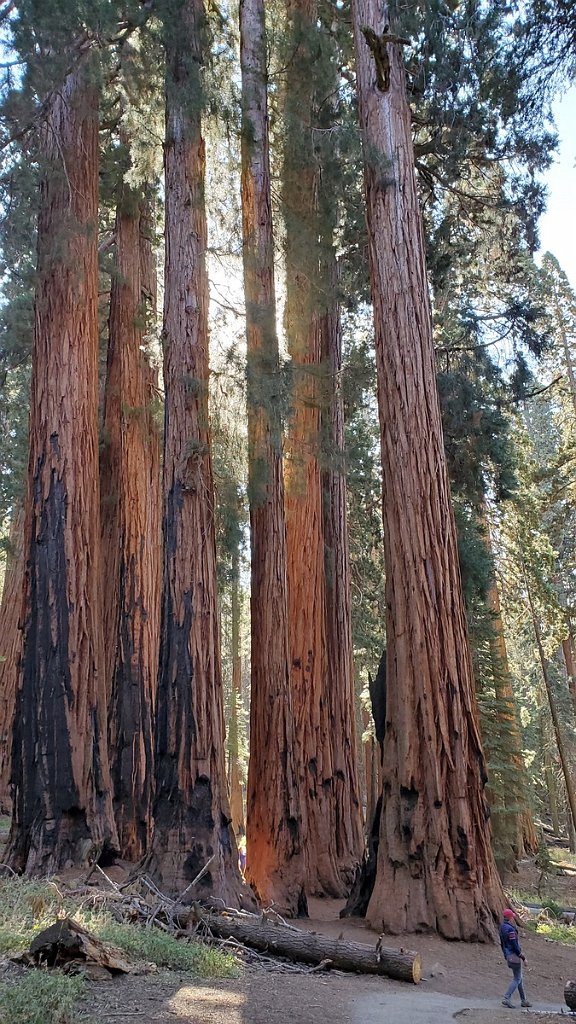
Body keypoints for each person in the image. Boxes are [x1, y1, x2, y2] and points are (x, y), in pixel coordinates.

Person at [499, 908, 532, 1008]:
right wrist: (522, 957)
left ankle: (523, 1000)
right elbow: (514, 945)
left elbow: (502, 944)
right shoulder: (510, 929)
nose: (513, 918)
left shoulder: (502, 927)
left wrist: (505, 955)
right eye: (512, 916)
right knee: (517, 978)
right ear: (509, 917)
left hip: (508, 956)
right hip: (514, 956)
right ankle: (506, 997)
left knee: (519, 978)